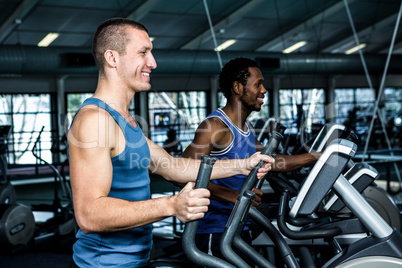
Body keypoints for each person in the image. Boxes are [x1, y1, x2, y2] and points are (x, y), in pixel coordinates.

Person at [67, 19, 274, 268]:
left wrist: (244, 165)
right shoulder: (94, 120)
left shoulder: (123, 120)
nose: (152, 62)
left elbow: (173, 166)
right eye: (143, 52)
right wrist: (171, 205)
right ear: (113, 58)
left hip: (135, 261)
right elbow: (89, 214)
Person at [181, 57, 321, 260]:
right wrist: (232, 195)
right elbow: (184, 173)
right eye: (258, 84)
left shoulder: (245, 128)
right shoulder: (215, 126)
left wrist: (315, 157)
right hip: (214, 230)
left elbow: (272, 160)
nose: (264, 90)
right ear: (238, 87)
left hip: (237, 225)